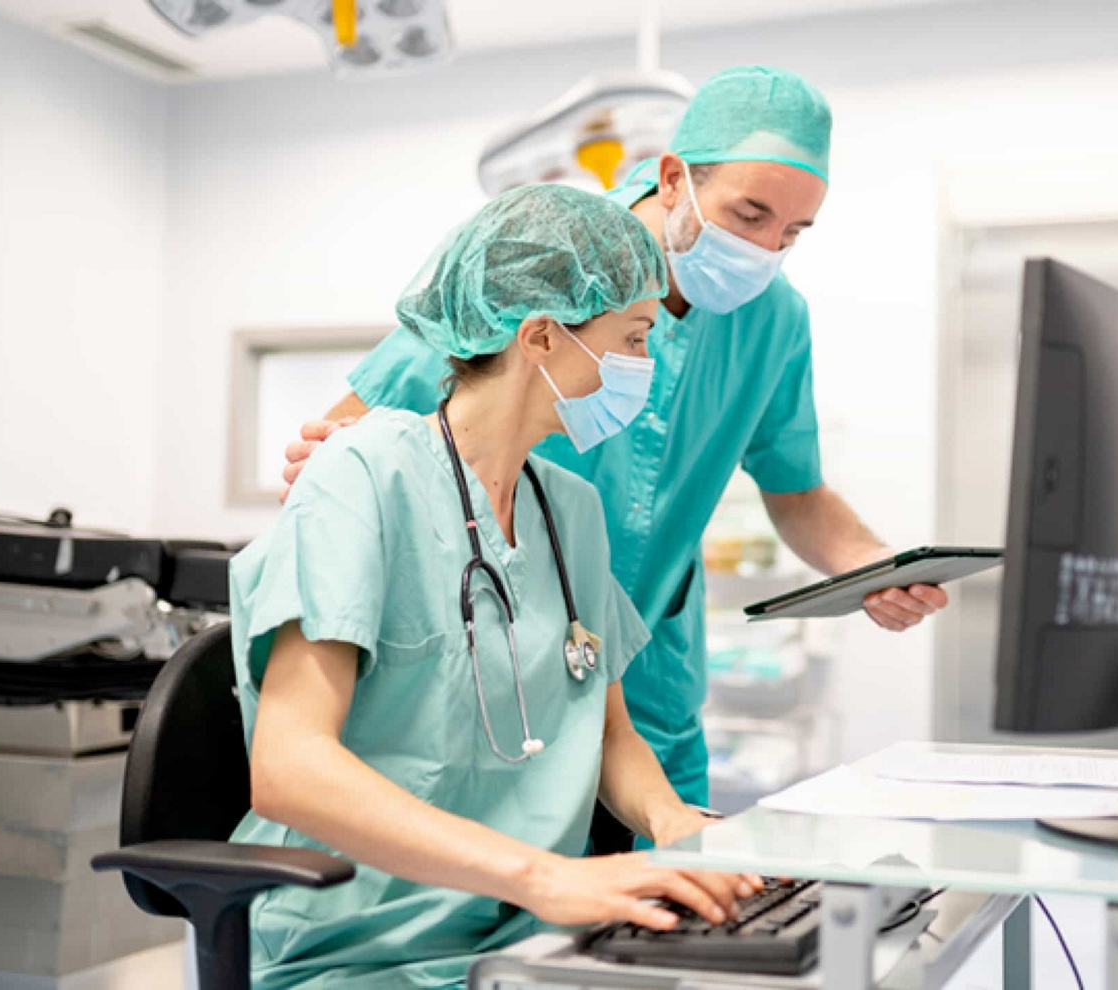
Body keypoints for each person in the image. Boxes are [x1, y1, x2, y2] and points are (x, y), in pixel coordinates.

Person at [282, 66, 949, 844]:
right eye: (751, 214)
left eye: (794, 233)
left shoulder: (772, 320)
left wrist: (873, 564)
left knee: (654, 898)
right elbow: (354, 434)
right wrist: (337, 469)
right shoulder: (547, 255)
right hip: (488, 667)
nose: (767, 248)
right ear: (673, 178)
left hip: (641, 681)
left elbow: (794, 487)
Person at [230, 184, 760, 990]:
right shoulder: (360, 475)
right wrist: (547, 877)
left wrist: (674, 822)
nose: (644, 369)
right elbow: (290, 767)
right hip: (361, 948)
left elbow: (611, 731)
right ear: (542, 335)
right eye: (634, 338)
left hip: (531, 942)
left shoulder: (569, 511)